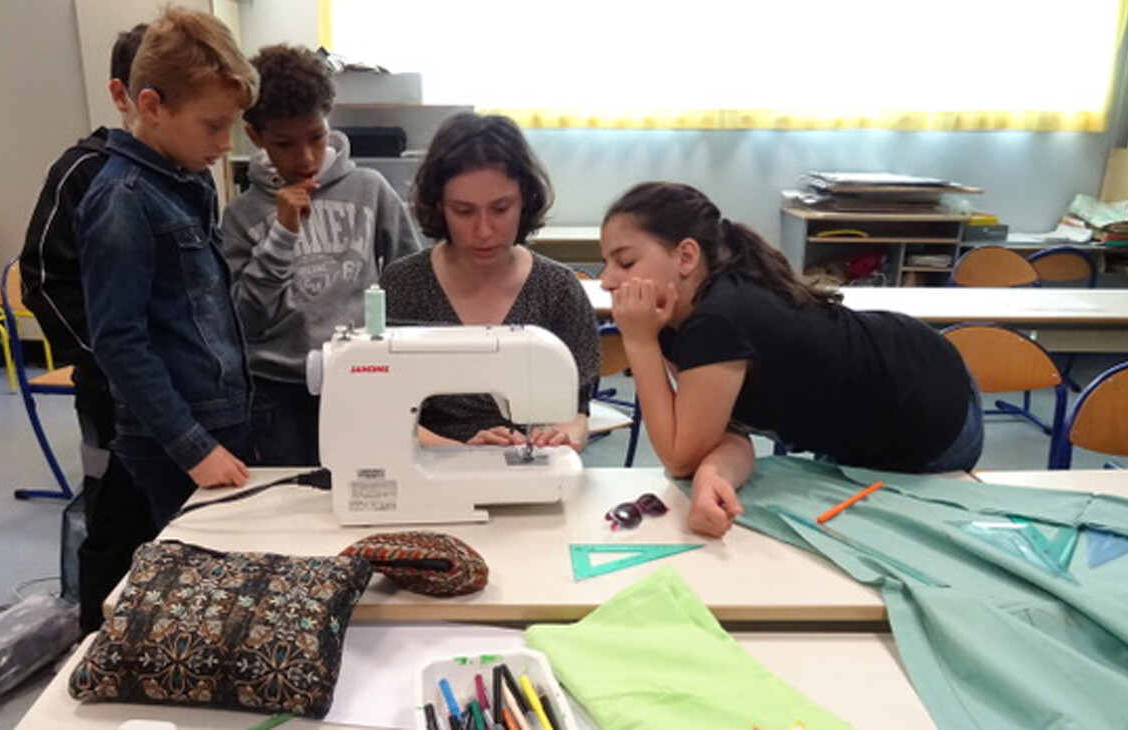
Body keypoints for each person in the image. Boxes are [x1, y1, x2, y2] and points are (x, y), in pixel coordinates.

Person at [598, 181, 983, 538]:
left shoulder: (718, 320)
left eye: (626, 262)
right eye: (607, 263)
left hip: (930, 410)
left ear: (685, 256)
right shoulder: (678, 317)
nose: (607, 280)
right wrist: (714, 474)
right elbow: (715, 433)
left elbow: (680, 457)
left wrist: (639, 342)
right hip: (895, 382)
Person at [77, 7, 257, 529]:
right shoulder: (121, 201)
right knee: (201, 569)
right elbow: (118, 343)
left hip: (221, 415)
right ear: (152, 105)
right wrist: (194, 448)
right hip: (178, 437)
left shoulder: (187, 181)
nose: (225, 146)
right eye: (213, 127)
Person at [221, 43, 421, 466]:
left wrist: (392, 360)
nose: (306, 157)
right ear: (255, 136)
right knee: (288, 502)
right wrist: (282, 236)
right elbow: (245, 321)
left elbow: (409, 284)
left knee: (367, 489)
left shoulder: (370, 189)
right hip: (277, 391)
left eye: (316, 136)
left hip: (362, 378)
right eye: (285, 143)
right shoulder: (241, 216)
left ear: (329, 119)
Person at [19, 24, 156, 634]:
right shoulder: (81, 172)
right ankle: (94, 642)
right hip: (110, 387)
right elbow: (43, 278)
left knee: (172, 518)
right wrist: (106, 359)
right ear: (123, 95)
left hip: (173, 390)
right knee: (114, 512)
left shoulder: (185, 174)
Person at [379, 112, 599, 449]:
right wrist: (462, 452)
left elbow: (576, 414)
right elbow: (384, 414)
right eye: (463, 211)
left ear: (525, 199)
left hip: (533, 473)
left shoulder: (558, 291)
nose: (483, 231)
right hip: (431, 472)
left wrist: (562, 436)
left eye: (500, 208)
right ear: (439, 207)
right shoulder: (402, 286)